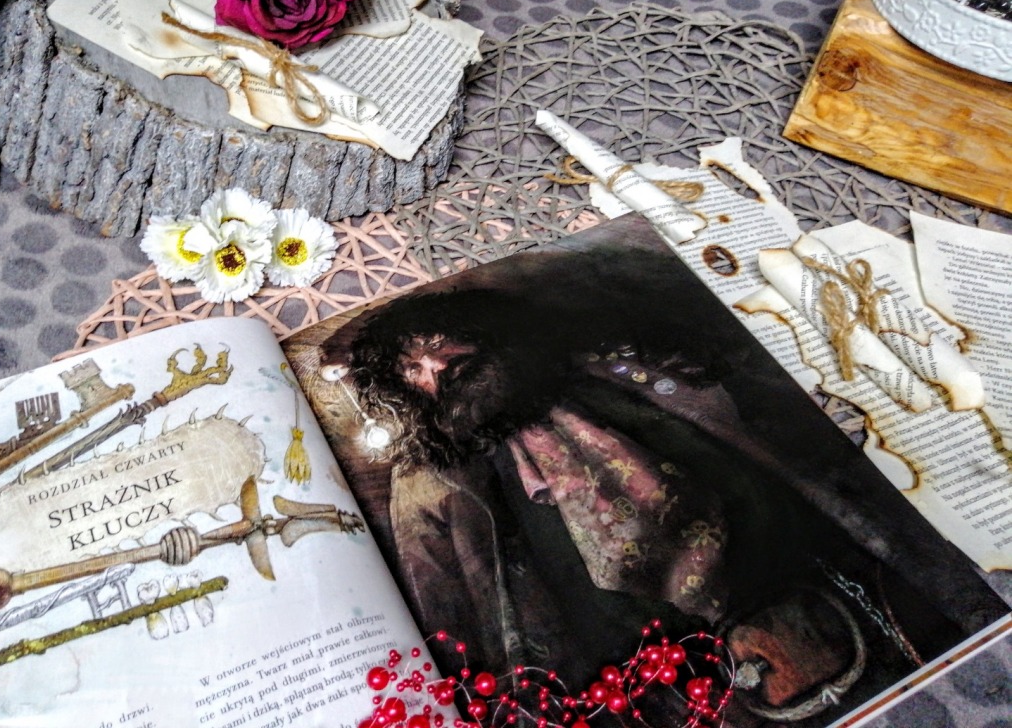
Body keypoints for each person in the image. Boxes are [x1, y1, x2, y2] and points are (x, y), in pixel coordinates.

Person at [325, 262, 978, 724]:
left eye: (438, 344)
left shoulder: (618, 369)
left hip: (831, 592)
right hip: (664, 676)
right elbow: (439, 597)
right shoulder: (439, 480)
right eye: (413, 369)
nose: (437, 368)